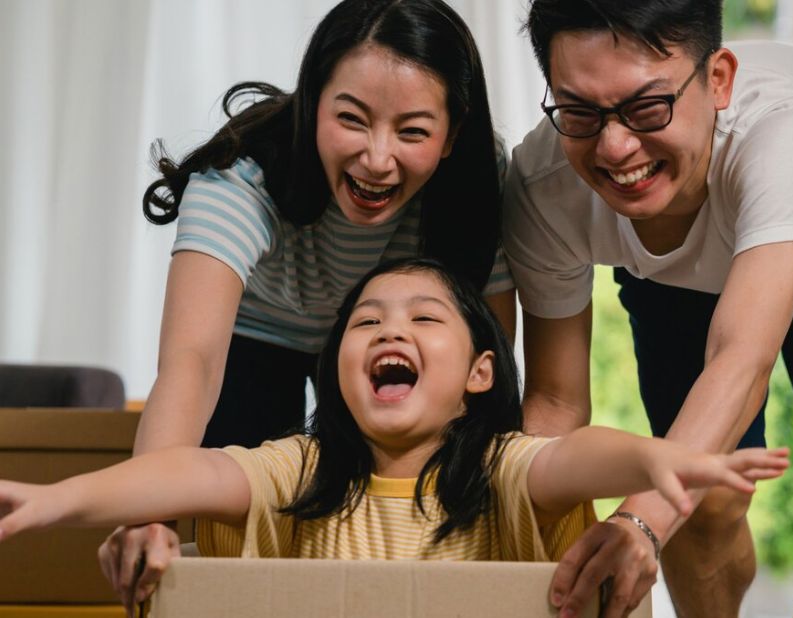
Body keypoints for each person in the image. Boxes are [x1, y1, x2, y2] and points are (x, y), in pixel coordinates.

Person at [0, 258, 790, 613]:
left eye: (423, 319)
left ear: (481, 372)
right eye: (367, 321)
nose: (390, 328)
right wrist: (54, 500)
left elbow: (575, 458)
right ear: (338, 365)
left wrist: (656, 455)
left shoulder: (500, 469)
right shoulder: (300, 469)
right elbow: (185, 475)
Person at [505, 1, 793, 616]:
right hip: (673, 273)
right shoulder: (544, 182)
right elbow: (555, 404)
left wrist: (640, 523)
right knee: (703, 511)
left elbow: (741, 360)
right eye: (579, 111)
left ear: (719, 80)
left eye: (648, 107)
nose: (616, 147)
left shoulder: (790, 136)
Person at [98, 0, 513, 606]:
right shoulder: (240, 177)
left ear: (452, 135)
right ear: (314, 101)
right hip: (254, 341)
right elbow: (192, 362)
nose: (377, 158)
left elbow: (490, 364)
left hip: (378, 344)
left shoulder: (477, 181)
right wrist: (145, 510)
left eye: (414, 131)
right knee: (238, 529)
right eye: (352, 119)